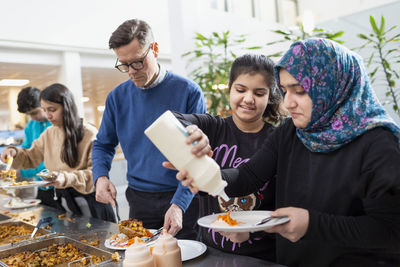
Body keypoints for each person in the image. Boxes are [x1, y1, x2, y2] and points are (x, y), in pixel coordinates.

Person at [176, 38, 400, 266]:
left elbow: (390, 230)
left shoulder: (378, 144)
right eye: (284, 91)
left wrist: (313, 225)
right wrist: (208, 176)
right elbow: (249, 176)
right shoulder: (291, 131)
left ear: (333, 86)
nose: (288, 103)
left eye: (300, 91)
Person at [92, 18, 206, 239]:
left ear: (154, 49)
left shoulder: (188, 92)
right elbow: (103, 145)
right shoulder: (117, 97)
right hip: (139, 200)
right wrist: (100, 177)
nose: (131, 72)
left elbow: (196, 157)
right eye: (123, 65)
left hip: (183, 198)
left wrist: (179, 205)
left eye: (137, 62)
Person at [172, 54, 284, 260]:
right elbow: (172, 119)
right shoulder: (213, 128)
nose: (248, 99)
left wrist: (249, 231)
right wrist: (192, 132)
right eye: (240, 90)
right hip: (211, 251)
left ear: (270, 96)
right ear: (229, 88)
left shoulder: (277, 140)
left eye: (259, 93)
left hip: (261, 256)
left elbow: (282, 209)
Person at [1, 83, 115, 222]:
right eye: (44, 110)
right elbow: (30, 157)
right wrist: (14, 152)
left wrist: (66, 178)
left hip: (89, 203)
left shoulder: (88, 133)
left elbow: (95, 174)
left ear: (67, 107)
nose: (48, 115)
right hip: (64, 202)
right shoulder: (48, 133)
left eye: (52, 109)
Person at [16, 86, 64, 211]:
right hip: (42, 189)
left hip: (62, 189)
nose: (32, 118)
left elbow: (51, 164)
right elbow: (26, 152)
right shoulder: (31, 126)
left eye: (34, 113)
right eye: (28, 115)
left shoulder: (57, 124)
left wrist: (21, 171)